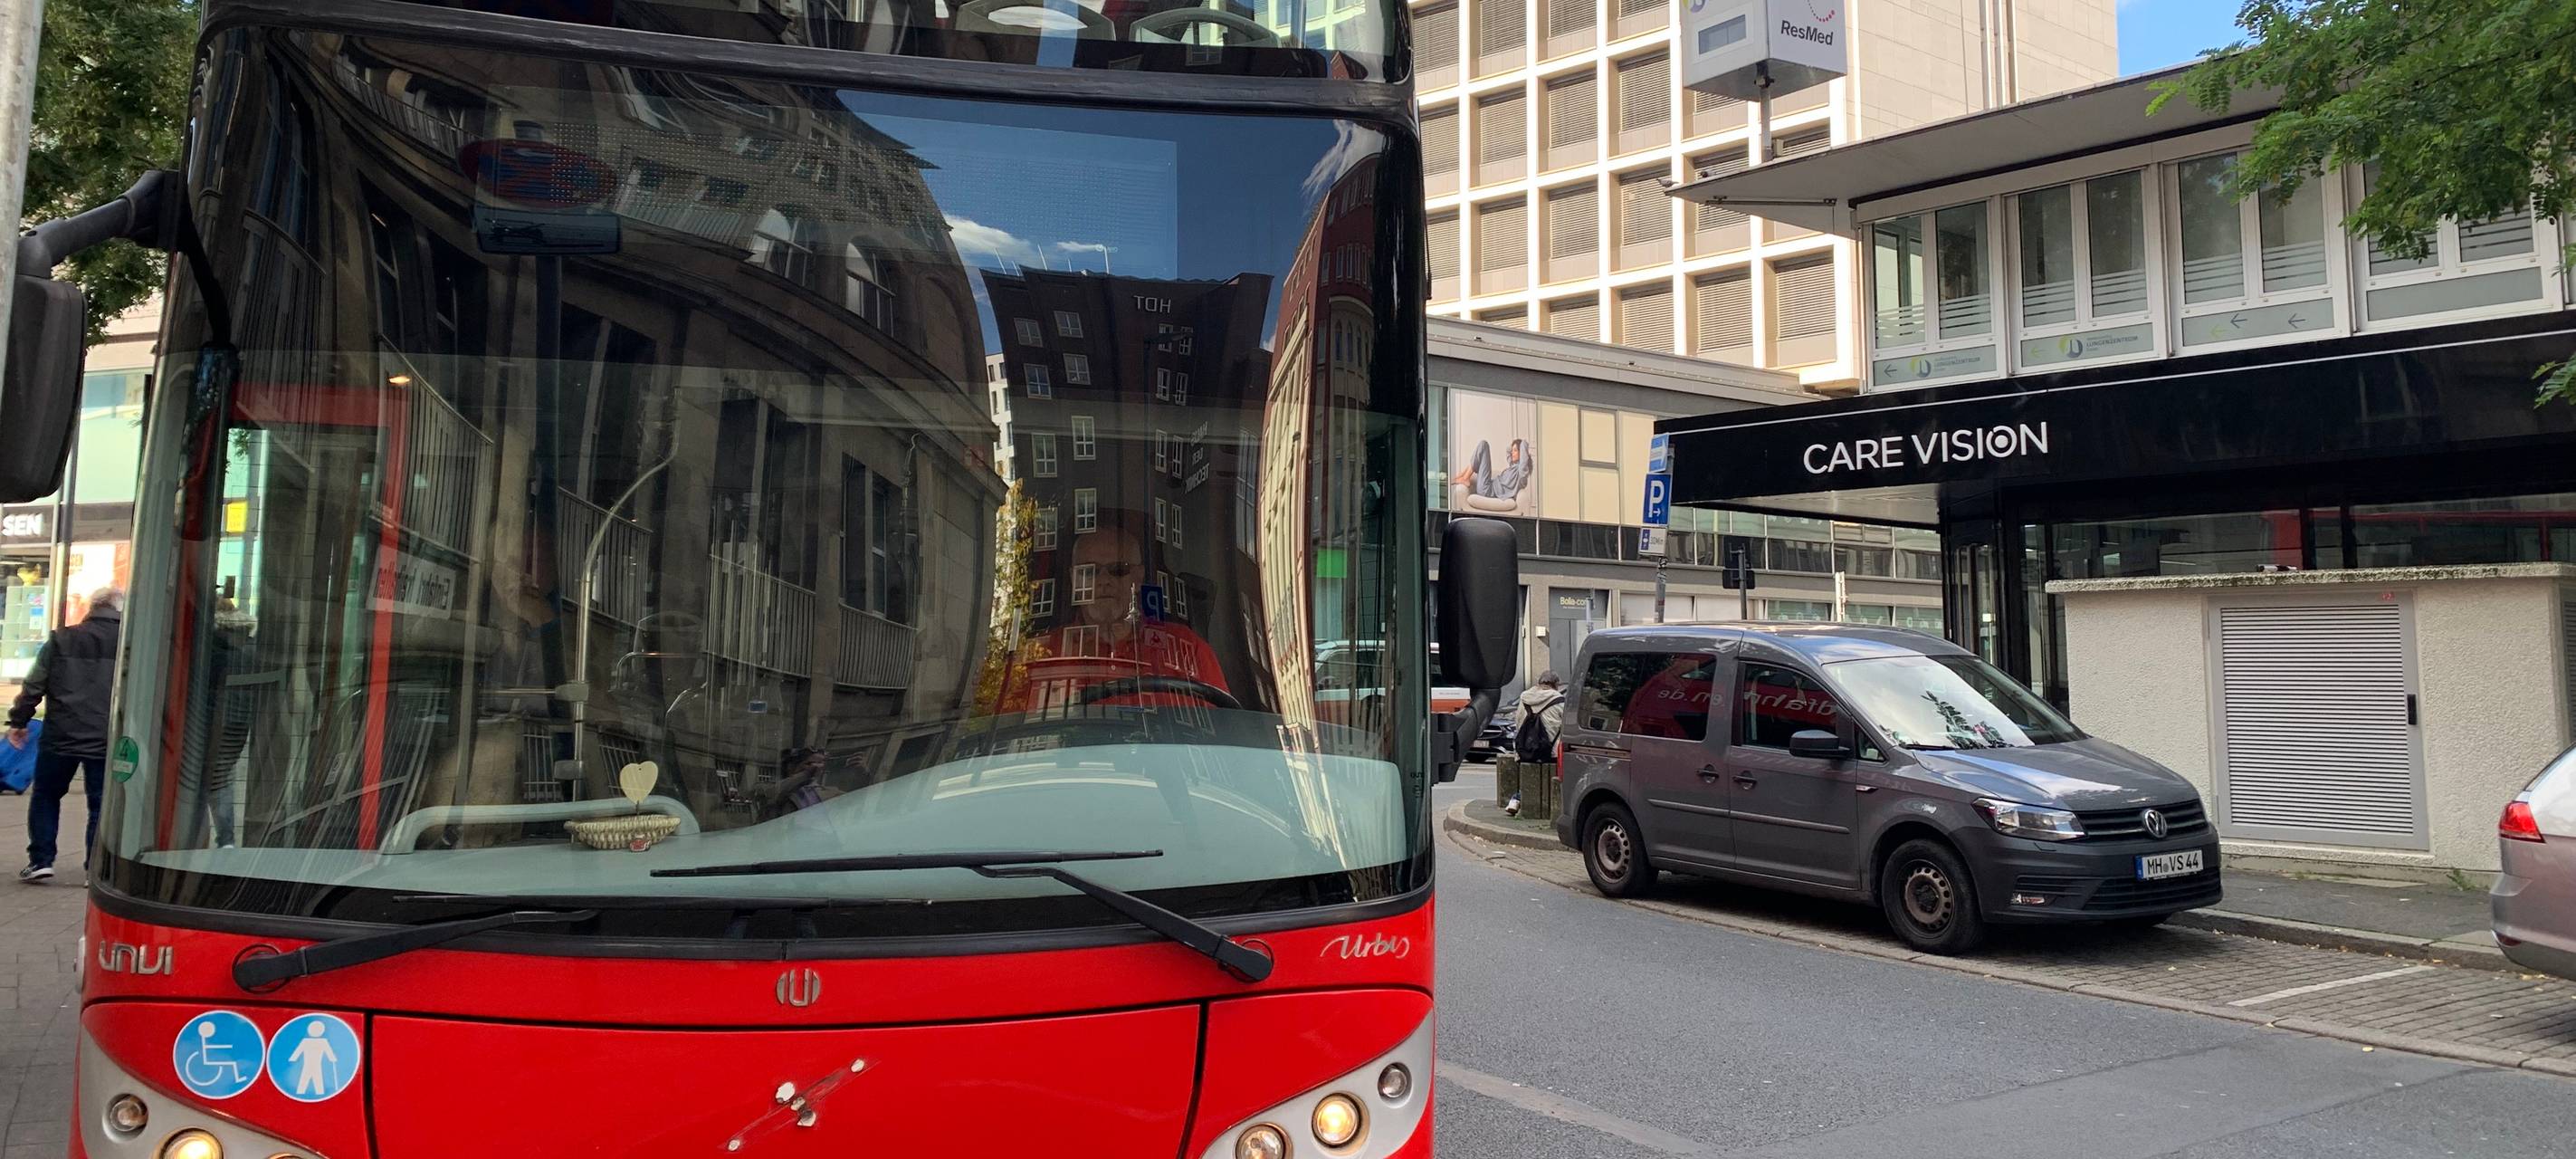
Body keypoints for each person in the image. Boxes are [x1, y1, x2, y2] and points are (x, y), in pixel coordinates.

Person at [8, 588, 123, 882]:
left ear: (91, 606)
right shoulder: (128, 640)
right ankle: (94, 868)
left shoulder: (61, 638)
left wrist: (19, 720)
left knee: (46, 795)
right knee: (99, 802)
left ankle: (41, 860)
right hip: (105, 736)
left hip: (61, 733)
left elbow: (35, 683)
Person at [1505, 670, 1567, 817]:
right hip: (1549, 752)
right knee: (1557, 779)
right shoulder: (1559, 701)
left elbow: (1518, 723)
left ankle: (1516, 800)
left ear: (1539, 683)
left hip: (1524, 750)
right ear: (1556, 685)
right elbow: (1565, 726)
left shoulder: (1524, 699)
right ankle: (1554, 808)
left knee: (1527, 779)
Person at [758, 746, 832, 819]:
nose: (817, 767)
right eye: (810, 764)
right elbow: (768, 793)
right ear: (790, 766)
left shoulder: (823, 792)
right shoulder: (769, 787)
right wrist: (806, 774)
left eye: (820, 763)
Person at [1454, 438, 1534, 503]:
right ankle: (1463, 476)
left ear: (1523, 453)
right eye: (1513, 450)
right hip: (1488, 485)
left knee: (1483, 444)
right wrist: (1514, 445)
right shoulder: (1513, 466)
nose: (1512, 453)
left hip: (1487, 491)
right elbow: (1508, 450)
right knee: (1480, 451)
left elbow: (1524, 446)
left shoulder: (1521, 472)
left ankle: (1465, 478)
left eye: (1515, 450)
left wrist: (1522, 443)